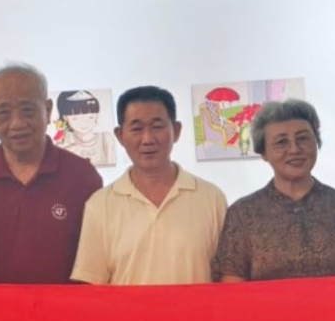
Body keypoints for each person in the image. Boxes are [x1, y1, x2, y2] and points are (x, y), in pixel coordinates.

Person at [0, 62, 104, 284]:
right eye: (3, 113)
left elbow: (96, 262)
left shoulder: (82, 177)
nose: (17, 123)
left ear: (47, 110)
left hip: (66, 306)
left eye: (27, 110)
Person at [72, 88, 227, 286]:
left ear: (176, 131)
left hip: (195, 309)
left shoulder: (211, 198)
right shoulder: (100, 205)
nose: (147, 139)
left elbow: (227, 279)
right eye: (137, 129)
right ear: (120, 136)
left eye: (157, 126)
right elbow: (91, 284)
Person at [213, 101, 335, 282]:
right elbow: (232, 286)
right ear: (264, 153)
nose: (294, 149)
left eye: (303, 139)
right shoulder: (243, 214)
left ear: (317, 143)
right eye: (281, 142)